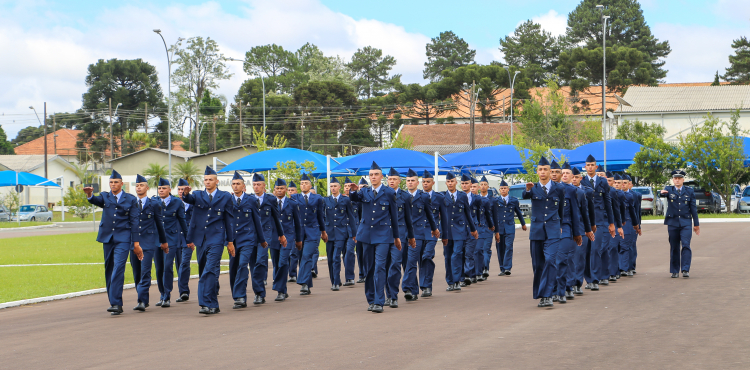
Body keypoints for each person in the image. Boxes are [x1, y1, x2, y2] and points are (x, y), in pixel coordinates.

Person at [347, 162, 401, 313]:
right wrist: (352, 191)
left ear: (381, 176)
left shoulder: (389, 192)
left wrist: (396, 237)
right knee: (369, 269)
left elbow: (394, 217)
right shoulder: (364, 192)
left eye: (376, 174)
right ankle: (371, 299)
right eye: (371, 175)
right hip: (366, 235)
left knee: (380, 267)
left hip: (384, 235)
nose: (373, 177)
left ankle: (379, 301)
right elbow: (353, 199)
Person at [84, 170, 140, 315]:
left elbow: (134, 221)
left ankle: (116, 302)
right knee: (109, 268)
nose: (113, 185)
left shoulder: (131, 199)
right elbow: (95, 200)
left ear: (122, 184)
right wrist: (90, 194)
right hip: (107, 237)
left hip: (123, 237)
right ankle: (114, 302)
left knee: (118, 267)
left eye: (116, 182)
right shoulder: (105, 196)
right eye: (111, 182)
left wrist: (136, 242)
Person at [181, 166, 235, 315]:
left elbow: (229, 220)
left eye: (210, 179)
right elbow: (189, 199)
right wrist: (185, 194)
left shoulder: (225, 197)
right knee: (205, 268)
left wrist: (230, 242)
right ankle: (213, 304)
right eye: (205, 180)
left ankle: (204, 303)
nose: (208, 182)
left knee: (210, 268)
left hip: (217, 237)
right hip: (201, 238)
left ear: (217, 181)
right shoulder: (197, 195)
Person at [522, 156, 564, 308]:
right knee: (538, 264)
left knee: (550, 260)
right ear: (537, 172)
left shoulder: (559, 188)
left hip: (553, 230)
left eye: (546, 169)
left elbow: (561, 209)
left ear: (550, 171)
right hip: (537, 231)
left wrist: (560, 224)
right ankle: (541, 294)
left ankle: (548, 294)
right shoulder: (533, 188)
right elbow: (525, 195)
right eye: (540, 169)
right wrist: (527, 189)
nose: (543, 172)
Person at [129, 174, 168, 312]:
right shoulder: (131, 203)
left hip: (148, 242)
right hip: (134, 243)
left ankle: (141, 300)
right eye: (137, 185)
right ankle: (142, 298)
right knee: (136, 272)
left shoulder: (154, 204)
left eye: (141, 185)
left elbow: (159, 224)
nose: (139, 187)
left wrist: (163, 242)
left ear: (147, 187)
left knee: (146, 271)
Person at [227, 171, 266, 309]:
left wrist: (261, 240)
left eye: (238, 184)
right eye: (233, 184)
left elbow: (257, 221)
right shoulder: (228, 200)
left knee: (243, 265)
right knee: (233, 268)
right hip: (233, 240)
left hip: (248, 238)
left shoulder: (251, 200)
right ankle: (236, 294)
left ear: (243, 186)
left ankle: (240, 297)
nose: (235, 186)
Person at [555, 163, 593, 303]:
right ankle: (559, 287)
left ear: (572, 176)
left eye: (566, 173)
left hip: (571, 228)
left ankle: (570, 285)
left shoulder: (578, 192)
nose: (564, 175)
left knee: (569, 258)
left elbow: (582, 214)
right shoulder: (553, 189)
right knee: (556, 259)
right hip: (554, 228)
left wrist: (586, 230)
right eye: (562, 173)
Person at [580, 157, 619, 291]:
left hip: (600, 220)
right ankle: (588, 278)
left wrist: (611, 223)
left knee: (597, 249)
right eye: (588, 165)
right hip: (586, 221)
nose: (590, 167)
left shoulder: (602, 181)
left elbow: (608, 202)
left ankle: (595, 279)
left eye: (592, 165)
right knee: (586, 251)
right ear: (585, 167)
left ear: (596, 167)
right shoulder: (581, 181)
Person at [402, 169, 439, 302]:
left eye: (413, 180)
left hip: (418, 234)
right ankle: (413, 290)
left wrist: (435, 230)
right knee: (406, 263)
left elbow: (430, 215)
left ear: (417, 183)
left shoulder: (423, 197)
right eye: (408, 181)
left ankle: (407, 287)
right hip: (402, 234)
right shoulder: (401, 196)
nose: (410, 183)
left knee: (413, 261)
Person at [251, 173, 286, 304]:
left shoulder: (271, 199)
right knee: (253, 264)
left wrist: (281, 235)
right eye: (254, 185)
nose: (256, 187)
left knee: (261, 261)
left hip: (265, 235)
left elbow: (277, 219)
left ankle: (260, 293)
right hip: (251, 235)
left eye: (258, 184)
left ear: (264, 186)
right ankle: (258, 291)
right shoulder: (249, 199)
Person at [383, 168, 416, 308]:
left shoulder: (405, 197)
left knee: (395, 264)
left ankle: (394, 295)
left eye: (394, 179)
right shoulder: (382, 194)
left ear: (399, 181)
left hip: (400, 235)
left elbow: (409, 219)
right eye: (389, 179)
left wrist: (411, 236)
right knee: (384, 266)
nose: (391, 181)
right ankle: (388, 295)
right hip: (384, 235)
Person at [440, 172, 478, 292]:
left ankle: (456, 281)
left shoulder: (462, 196)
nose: (450, 183)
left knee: (457, 254)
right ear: (446, 183)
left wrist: (473, 229)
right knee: (447, 256)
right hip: (446, 232)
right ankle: (450, 281)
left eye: (452, 181)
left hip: (460, 230)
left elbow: (468, 214)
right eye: (448, 181)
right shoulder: (442, 196)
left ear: (456, 182)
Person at [291, 173, 327, 295]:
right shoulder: (294, 198)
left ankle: (302, 281)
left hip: (313, 231)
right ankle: (307, 285)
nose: (303, 185)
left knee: (307, 256)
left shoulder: (317, 198)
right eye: (301, 183)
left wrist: (323, 232)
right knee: (301, 257)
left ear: (310, 185)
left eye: (306, 183)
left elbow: (320, 216)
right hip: (299, 232)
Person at [659, 170, 700, 278]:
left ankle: (685, 269)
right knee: (674, 246)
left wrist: (696, 224)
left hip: (685, 222)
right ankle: (674, 270)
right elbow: (662, 194)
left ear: (683, 180)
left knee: (686, 245)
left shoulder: (689, 191)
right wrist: (661, 193)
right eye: (675, 178)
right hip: (672, 222)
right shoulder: (669, 189)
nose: (677, 180)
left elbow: (693, 208)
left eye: (679, 178)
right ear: (673, 180)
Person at [154, 178, 188, 308]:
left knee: (168, 266)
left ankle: (167, 296)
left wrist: (188, 239)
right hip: (156, 240)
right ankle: (162, 294)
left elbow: (183, 221)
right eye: (159, 188)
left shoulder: (176, 203)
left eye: (163, 188)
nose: (161, 190)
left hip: (171, 239)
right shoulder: (154, 201)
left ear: (169, 189)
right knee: (159, 268)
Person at [270, 178, 303, 301]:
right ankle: (282, 290)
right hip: (273, 237)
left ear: (285, 190)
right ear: (274, 190)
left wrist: (298, 240)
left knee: (283, 262)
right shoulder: (270, 203)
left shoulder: (293, 203)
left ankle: (279, 290)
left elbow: (298, 224)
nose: (279, 190)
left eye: (282, 188)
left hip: (288, 237)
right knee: (276, 264)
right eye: (277, 189)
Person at [323, 177, 356, 291]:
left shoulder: (345, 200)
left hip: (341, 233)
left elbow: (351, 217)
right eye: (331, 186)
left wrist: (354, 233)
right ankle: (334, 280)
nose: (333, 188)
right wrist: (323, 231)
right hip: (329, 233)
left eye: (335, 186)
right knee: (330, 259)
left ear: (339, 187)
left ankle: (336, 282)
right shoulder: (326, 200)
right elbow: (322, 216)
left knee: (336, 257)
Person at [491, 179, 526, 277]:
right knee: (500, 248)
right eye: (501, 188)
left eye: (505, 188)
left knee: (509, 247)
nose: (503, 190)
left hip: (510, 227)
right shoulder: (495, 200)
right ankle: (502, 268)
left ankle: (507, 268)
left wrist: (523, 224)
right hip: (499, 227)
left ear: (508, 189)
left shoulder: (514, 200)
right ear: (499, 190)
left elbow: (518, 212)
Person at [570, 167, 595, 296]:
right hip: (568, 228)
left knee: (580, 256)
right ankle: (567, 283)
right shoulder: (562, 190)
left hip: (581, 227)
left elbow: (589, 211)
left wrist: (590, 227)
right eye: (572, 177)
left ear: (580, 178)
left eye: (576, 177)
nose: (574, 179)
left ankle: (577, 283)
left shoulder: (587, 192)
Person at [419, 170, 443, 297]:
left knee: (427, 256)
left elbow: (444, 217)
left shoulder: (439, 197)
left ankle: (426, 286)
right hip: (417, 233)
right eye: (423, 182)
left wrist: (445, 235)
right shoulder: (416, 196)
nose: (425, 184)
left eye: (428, 182)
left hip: (432, 233)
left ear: (433, 182)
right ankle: (412, 288)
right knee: (417, 259)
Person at [614, 174, 641, 279]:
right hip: (617, 223)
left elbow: (636, 212)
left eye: (625, 183)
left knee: (627, 245)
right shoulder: (613, 194)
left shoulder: (634, 196)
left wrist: (638, 226)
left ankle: (627, 267)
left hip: (628, 222)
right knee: (617, 246)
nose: (623, 185)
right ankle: (620, 268)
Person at [469, 177, 494, 283]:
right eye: (470, 187)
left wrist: (492, 227)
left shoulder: (484, 201)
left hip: (481, 228)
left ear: (478, 188)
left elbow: (488, 215)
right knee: (470, 252)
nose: (472, 189)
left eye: (474, 186)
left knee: (479, 250)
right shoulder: (463, 199)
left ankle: (479, 272)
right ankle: (471, 273)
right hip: (468, 230)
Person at [175, 178, 194, 302]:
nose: (181, 191)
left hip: (188, 238)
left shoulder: (193, 204)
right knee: (178, 264)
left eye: (183, 189)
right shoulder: (173, 203)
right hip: (175, 238)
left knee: (184, 263)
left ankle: (184, 292)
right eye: (179, 189)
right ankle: (183, 290)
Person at [342, 177, 360, 286]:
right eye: (345, 186)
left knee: (349, 251)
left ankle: (350, 278)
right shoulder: (340, 199)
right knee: (344, 253)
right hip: (342, 230)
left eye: (349, 186)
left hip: (354, 230)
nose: (347, 188)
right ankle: (347, 275)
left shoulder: (357, 200)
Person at [287, 181, 300, 282]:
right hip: (287, 231)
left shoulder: (298, 202)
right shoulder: (285, 202)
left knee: (294, 253)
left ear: (296, 191)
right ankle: (290, 273)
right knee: (288, 253)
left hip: (297, 230)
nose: (290, 192)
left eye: (292, 190)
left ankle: (293, 274)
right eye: (289, 190)